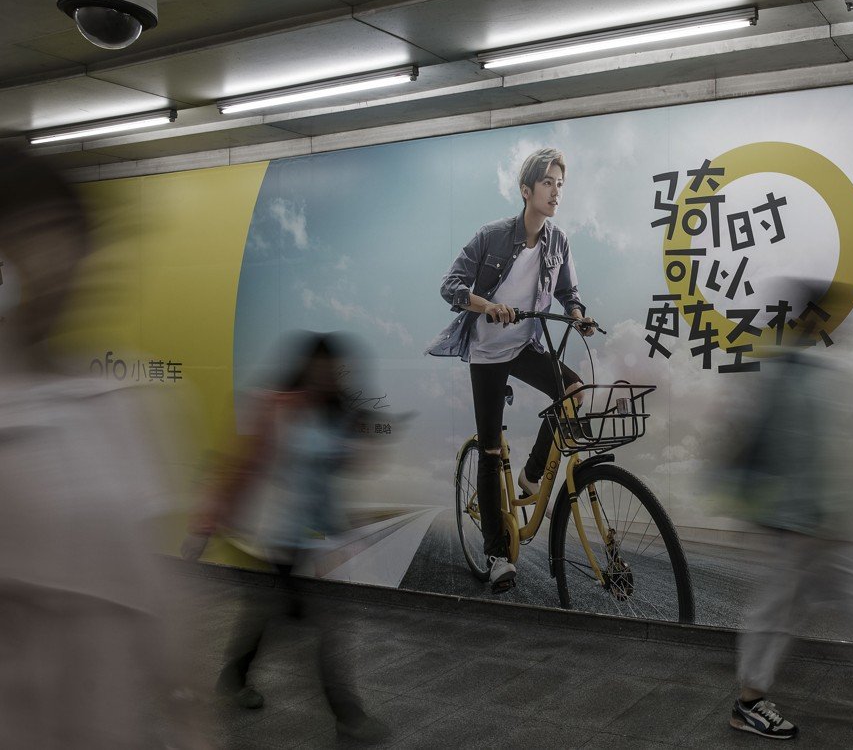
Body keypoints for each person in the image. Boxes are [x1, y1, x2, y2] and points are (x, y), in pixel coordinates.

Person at [0, 148, 208, 749]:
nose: (59, 260)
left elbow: (153, 579)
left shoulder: (122, 401)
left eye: (72, 236)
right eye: (33, 234)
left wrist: (187, 710)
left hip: (101, 722)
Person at [189, 331, 387, 743]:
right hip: (278, 535)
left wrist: (364, 440)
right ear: (307, 367)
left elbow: (345, 467)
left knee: (266, 612)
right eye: (322, 367)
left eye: (334, 369)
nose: (329, 375)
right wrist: (206, 523)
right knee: (327, 623)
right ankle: (347, 714)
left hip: (314, 537)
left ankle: (233, 678)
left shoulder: (333, 413)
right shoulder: (276, 407)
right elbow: (240, 467)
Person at [427, 147, 594, 592]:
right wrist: (488, 306)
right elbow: (451, 286)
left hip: (524, 344)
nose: (556, 192)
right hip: (486, 352)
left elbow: (569, 292)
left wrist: (578, 315)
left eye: (561, 185)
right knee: (490, 448)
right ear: (526, 191)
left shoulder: (558, 242)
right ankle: (498, 555)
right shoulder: (492, 236)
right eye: (548, 184)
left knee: (574, 390)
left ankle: (532, 473)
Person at [714, 278, 853, 741]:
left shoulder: (807, 372)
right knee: (776, 608)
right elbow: (745, 445)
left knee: (795, 604)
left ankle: (756, 694)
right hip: (788, 520)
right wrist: (756, 509)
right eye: (820, 314)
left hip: (805, 520)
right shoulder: (782, 373)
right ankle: (749, 703)